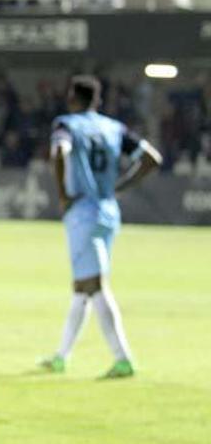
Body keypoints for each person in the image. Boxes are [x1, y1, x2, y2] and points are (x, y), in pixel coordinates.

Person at [41, 75, 162, 378]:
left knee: (94, 286)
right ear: (98, 101)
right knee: (81, 288)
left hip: (82, 211)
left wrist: (63, 194)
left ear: (72, 97)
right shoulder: (114, 128)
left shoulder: (66, 124)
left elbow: (59, 152)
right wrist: (120, 187)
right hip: (108, 211)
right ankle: (61, 356)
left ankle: (123, 358)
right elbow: (151, 159)